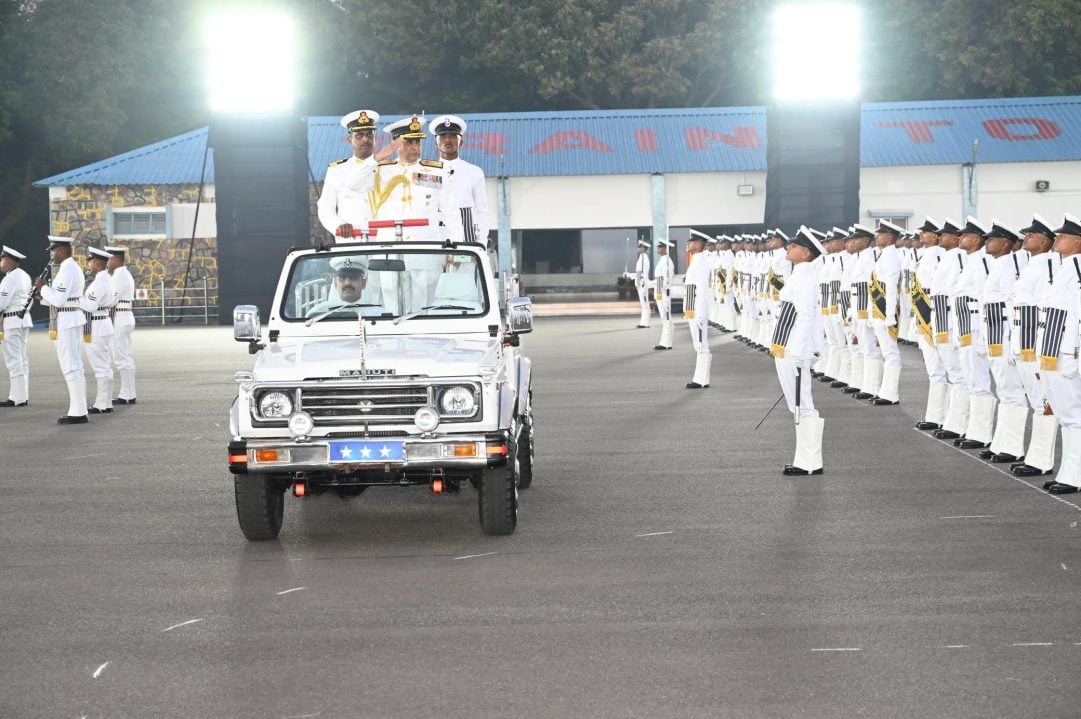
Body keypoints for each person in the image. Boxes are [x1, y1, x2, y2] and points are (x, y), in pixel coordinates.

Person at [771, 226, 826, 475]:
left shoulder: (805, 276)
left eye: (793, 246)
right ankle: (803, 459)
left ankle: (810, 462)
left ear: (806, 253)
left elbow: (805, 317)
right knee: (796, 403)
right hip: (786, 345)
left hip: (794, 347)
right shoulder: (798, 273)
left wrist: (801, 352)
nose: (788, 248)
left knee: (803, 403)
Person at [1010, 215, 1061, 477]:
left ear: (1044, 242)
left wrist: (1040, 352)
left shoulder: (1045, 268)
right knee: (1035, 400)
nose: (1026, 238)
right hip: (1022, 341)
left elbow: (1043, 313)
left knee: (1043, 402)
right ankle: (1034, 457)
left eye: (1031, 235)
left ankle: (1041, 461)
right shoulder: (1032, 265)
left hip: (1033, 344)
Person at [1036, 214, 1081, 494]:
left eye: (1063, 236)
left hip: (1066, 352)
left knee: (1074, 416)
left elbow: (1076, 317)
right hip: (1052, 352)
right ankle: (1068, 472)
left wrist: (1072, 355)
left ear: (1077, 242)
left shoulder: (1076, 269)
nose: (1057, 239)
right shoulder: (1064, 268)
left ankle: (1074, 476)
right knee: (1066, 416)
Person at [978, 222, 1027, 462]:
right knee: (1005, 391)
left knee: (1012, 392)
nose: (987, 242)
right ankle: (1001, 443)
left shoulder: (1007, 267)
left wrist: (1013, 342)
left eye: (992, 239)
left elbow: (1011, 305)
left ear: (1005, 244)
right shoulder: (997, 265)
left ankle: (1013, 447)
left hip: (1005, 337)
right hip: (995, 336)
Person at [34, 236, 88, 424]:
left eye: (54, 250)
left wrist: (43, 287)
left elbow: (59, 300)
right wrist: (41, 296)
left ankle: (78, 412)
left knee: (70, 366)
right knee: (74, 366)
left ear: (63, 251)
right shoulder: (68, 268)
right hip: (67, 317)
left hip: (67, 319)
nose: (52, 254)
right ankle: (78, 409)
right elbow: (57, 298)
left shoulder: (68, 270)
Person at [951, 217, 994, 449]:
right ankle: (972, 429)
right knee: (970, 378)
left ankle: (981, 433)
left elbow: (983, 300)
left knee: (978, 381)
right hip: (966, 328)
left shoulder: (981, 263)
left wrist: (982, 337)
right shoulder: (969, 261)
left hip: (975, 329)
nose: (960, 238)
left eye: (965, 235)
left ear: (977, 240)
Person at [317, 109, 381, 240]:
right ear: (349, 139)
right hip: (350, 241)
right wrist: (338, 225)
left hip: (382, 241)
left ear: (375, 139)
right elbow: (325, 207)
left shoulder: (386, 167)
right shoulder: (337, 169)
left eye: (370, 135)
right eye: (359, 135)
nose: (365, 139)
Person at [428, 115, 490, 244]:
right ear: (436, 142)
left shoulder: (474, 171)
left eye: (452, 136)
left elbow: (481, 210)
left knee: (465, 264)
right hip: (435, 233)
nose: (447, 140)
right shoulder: (427, 171)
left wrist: (482, 241)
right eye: (443, 136)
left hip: (465, 232)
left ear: (461, 142)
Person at [911, 218, 947, 430]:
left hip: (931, 313)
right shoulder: (928, 254)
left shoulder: (937, 255)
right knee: (935, 369)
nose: (922, 235)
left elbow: (933, 289)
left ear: (936, 235)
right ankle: (936, 415)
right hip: (924, 313)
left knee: (937, 369)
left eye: (926, 232)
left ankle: (938, 417)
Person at [868, 220, 904, 405]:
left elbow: (891, 287)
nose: (876, 237)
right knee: (885, 351)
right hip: (879, 310)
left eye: (880, 234)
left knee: (891, 352)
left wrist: (890, 315)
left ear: (890, 237)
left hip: (885, 311)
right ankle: (884, 391)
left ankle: (891, 394)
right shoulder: (883, 255)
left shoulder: (891, 256)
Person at [81, 247, 116, 413]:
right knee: (105, 365)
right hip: (104, 322)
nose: (88, 265)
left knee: (100, 367)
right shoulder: (108, 279)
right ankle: (107, 402)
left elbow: (90, 306)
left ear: (97, 263)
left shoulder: (99, 282)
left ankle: (101, 404)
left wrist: (77, 298)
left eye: (90, 262)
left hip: (97, 325)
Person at [0, 245, 33, 406]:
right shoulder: (24, 276)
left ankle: (17, 398)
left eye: (2, 259)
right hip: (23, 319)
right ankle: (21, 395)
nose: (1, 262)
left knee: (13, 359)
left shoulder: (10, 278)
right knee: (21, 358)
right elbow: (31, 299)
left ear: (10, 260)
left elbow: (2, 302)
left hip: (12, 321)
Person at [105, 245, 137, 405]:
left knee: (121, 357)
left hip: (121, 316)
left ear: (115, 259)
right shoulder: (123, 274)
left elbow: (111, 300)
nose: (107, 262)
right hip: (124, 315)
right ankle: (129, 393)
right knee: (125, 356)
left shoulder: (119, 276)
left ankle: (127, 394)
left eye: (108, 259)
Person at [305, 256, 386, 317]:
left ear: (363, 283)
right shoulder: (319, 313)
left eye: (353, 277)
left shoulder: (379, 315)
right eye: (342, 278)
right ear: (336, 284)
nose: (347, 283)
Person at [684, 230, 713, 388]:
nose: (688, 244)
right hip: (692, 309)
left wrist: (700, 313)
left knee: (701, 343)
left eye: (691, 241)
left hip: (697, 310)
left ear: (699, 244)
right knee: (698, 343)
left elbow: (702, 290)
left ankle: (701, 379)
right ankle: (702, 378)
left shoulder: (701, 262)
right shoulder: (696, 260)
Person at [653, 239, 675, 350]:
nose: (658, 248)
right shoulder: (662, 260)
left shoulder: (667, 262)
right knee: (664, 317)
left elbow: (667, 279)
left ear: (667, 249)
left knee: (666, 318)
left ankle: (667, 343)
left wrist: (663, 288)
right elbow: (658, 279)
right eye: (658, 246)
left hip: (664, 293)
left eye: (660, 247)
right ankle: (665, 342)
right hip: (660, 292)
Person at [633, 240, 652, 328]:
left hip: (642, 283)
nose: (638, 248)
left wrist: (637, 282)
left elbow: (639, 272)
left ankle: (646, 323)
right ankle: (643, 322)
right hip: (641, 282)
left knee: (645, 303)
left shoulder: (643, 258)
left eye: (639, 247)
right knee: (643, 304)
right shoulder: (642, 257)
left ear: (643, 248)